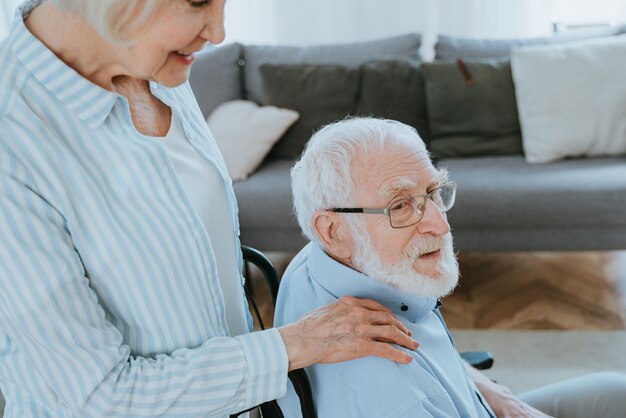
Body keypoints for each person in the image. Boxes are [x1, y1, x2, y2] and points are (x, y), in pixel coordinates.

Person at [0, 2, 419, 417]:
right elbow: (104, 399)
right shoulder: (13, 143)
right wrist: (296, 343)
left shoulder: (156, 64)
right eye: (197, 1)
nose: (217, 32)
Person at [275, 117, 626, 418]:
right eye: (399, 205)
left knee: (615, 391)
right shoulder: (400, 402)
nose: (439, 225)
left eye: (433, 191)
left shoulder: (316, 262)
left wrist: (493, 393)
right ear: (333, 230)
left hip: (477, 403)